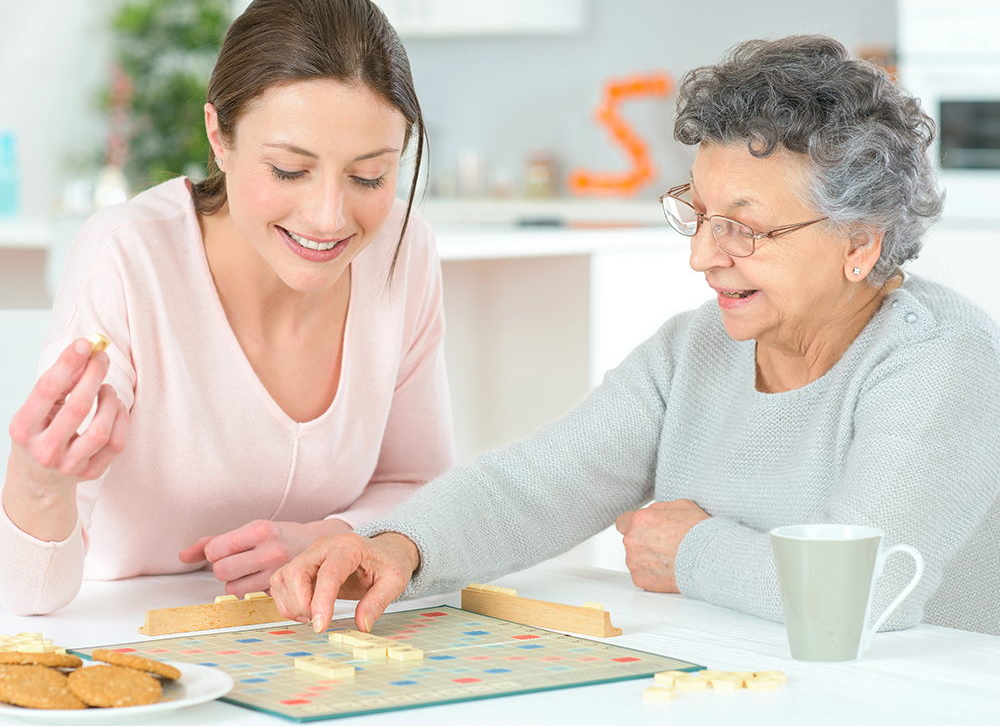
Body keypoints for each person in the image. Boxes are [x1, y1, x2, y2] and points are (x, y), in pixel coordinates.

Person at [270, 35, 1000, 638]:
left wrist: (691, 552)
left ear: (859, 244)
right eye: (699, 213)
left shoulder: (940, 359)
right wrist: (397, 547)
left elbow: (867, 594)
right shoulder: (696, 349)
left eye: (744, 227)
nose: (703, 255)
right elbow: (540, 483)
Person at [0, 0, 454, 616]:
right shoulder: (129, 259)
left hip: (305, 641)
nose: (328, 218)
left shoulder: (402, 252)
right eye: (288, 171)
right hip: (123, 632)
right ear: (218, 135)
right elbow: (28, 596)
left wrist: (334, 536)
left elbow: (419, 487)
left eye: (369, 176)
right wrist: (35, 484)